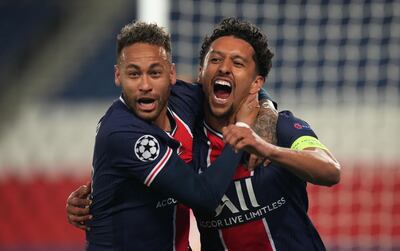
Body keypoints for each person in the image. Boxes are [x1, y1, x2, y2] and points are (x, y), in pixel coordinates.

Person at [69, 17, 341, 250]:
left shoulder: (279, 127)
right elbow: (198, 194)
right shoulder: (185, 142)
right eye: (216, 60)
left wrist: (266, 139)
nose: (224, 68)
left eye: (237, 63)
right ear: (201, 73)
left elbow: (330, 170)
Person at [82, 20, 264, 251]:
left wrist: (266, 110)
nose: (145, 85)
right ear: (118, 76)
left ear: (171, 74)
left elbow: (240, 88)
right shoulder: (122, 132)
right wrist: (243, 130)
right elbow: (203, 197)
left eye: (155, 73)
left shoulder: (181, 100)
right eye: (134, 74)